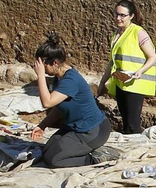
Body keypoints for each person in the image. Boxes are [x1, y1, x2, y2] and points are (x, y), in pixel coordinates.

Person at [30, 34, 111, 168]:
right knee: (47, 150)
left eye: (44, 67)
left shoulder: (70, 81)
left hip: (92, 131)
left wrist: (40, 76)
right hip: (76, 127)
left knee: (53, 159)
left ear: (54, 63)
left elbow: (47, 102)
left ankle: (95, 159)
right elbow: (58, 107)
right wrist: (42, 125)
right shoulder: (59, 78)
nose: (42, 70)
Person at [96, 0, 156, 135]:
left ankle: (137, 150)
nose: (118, 18)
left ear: (132, 16)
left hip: (135, 83)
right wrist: (102, 82)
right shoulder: (115, 35)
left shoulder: (138, 32)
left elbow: (153, 57)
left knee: (133, 123)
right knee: (126, 122)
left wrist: (140, 71)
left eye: (123, 15)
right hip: (121, 82)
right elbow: (112, 62)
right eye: (116, 14)